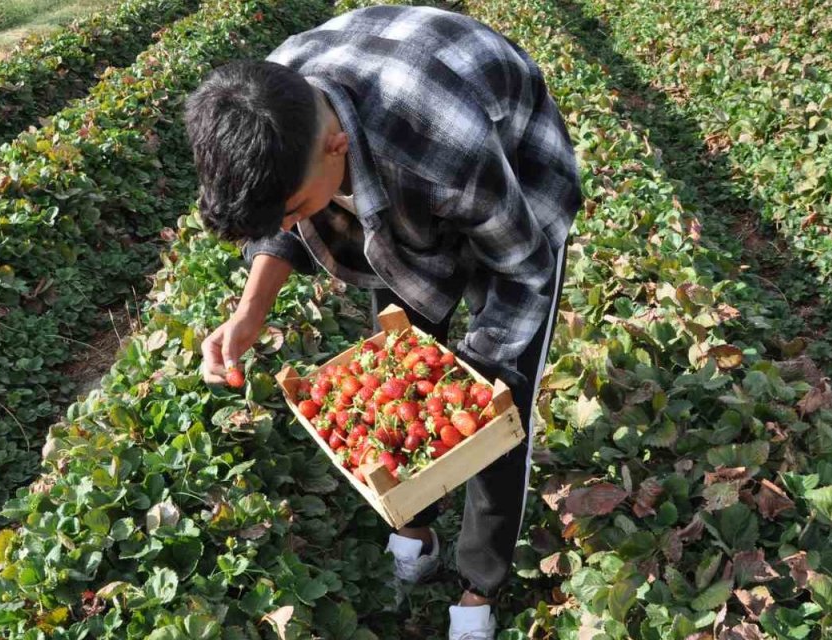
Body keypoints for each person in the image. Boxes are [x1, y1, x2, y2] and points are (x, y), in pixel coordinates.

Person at [182, 5, 580, 638]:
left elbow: (522, 271)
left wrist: (471, 388)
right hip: (395, 141)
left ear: (336, 148)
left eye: (297, 210)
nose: (289, 226)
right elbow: (278, 216)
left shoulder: (444, 148)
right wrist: (248, 313)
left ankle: (479, 586)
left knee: (496, 404)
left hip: (513, 173)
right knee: (396, 353)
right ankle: (414, 528)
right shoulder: (270, 107)